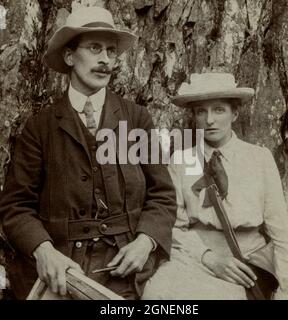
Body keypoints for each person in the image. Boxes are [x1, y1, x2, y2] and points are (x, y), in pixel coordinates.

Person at [0, 7, 176, 300]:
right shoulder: (40, 127)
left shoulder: (136, 119)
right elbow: (16, 206)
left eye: (111, 51)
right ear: (70, 56)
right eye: (95, 48)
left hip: (126, 267)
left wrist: (146, 241)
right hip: (64, 267)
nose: (105, 60)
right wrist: (44, 251)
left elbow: (163, 195)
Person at [142, 72, 288, 300]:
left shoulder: (259, 158)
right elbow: (173, 225)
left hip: (246, 265)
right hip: (195, 259)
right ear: (194, 116)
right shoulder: (181, 160)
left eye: (219, 110)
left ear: (235, 113)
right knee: (155, 292)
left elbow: (281, 231)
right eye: (201, 111)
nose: (209, 120)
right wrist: (208, 257)